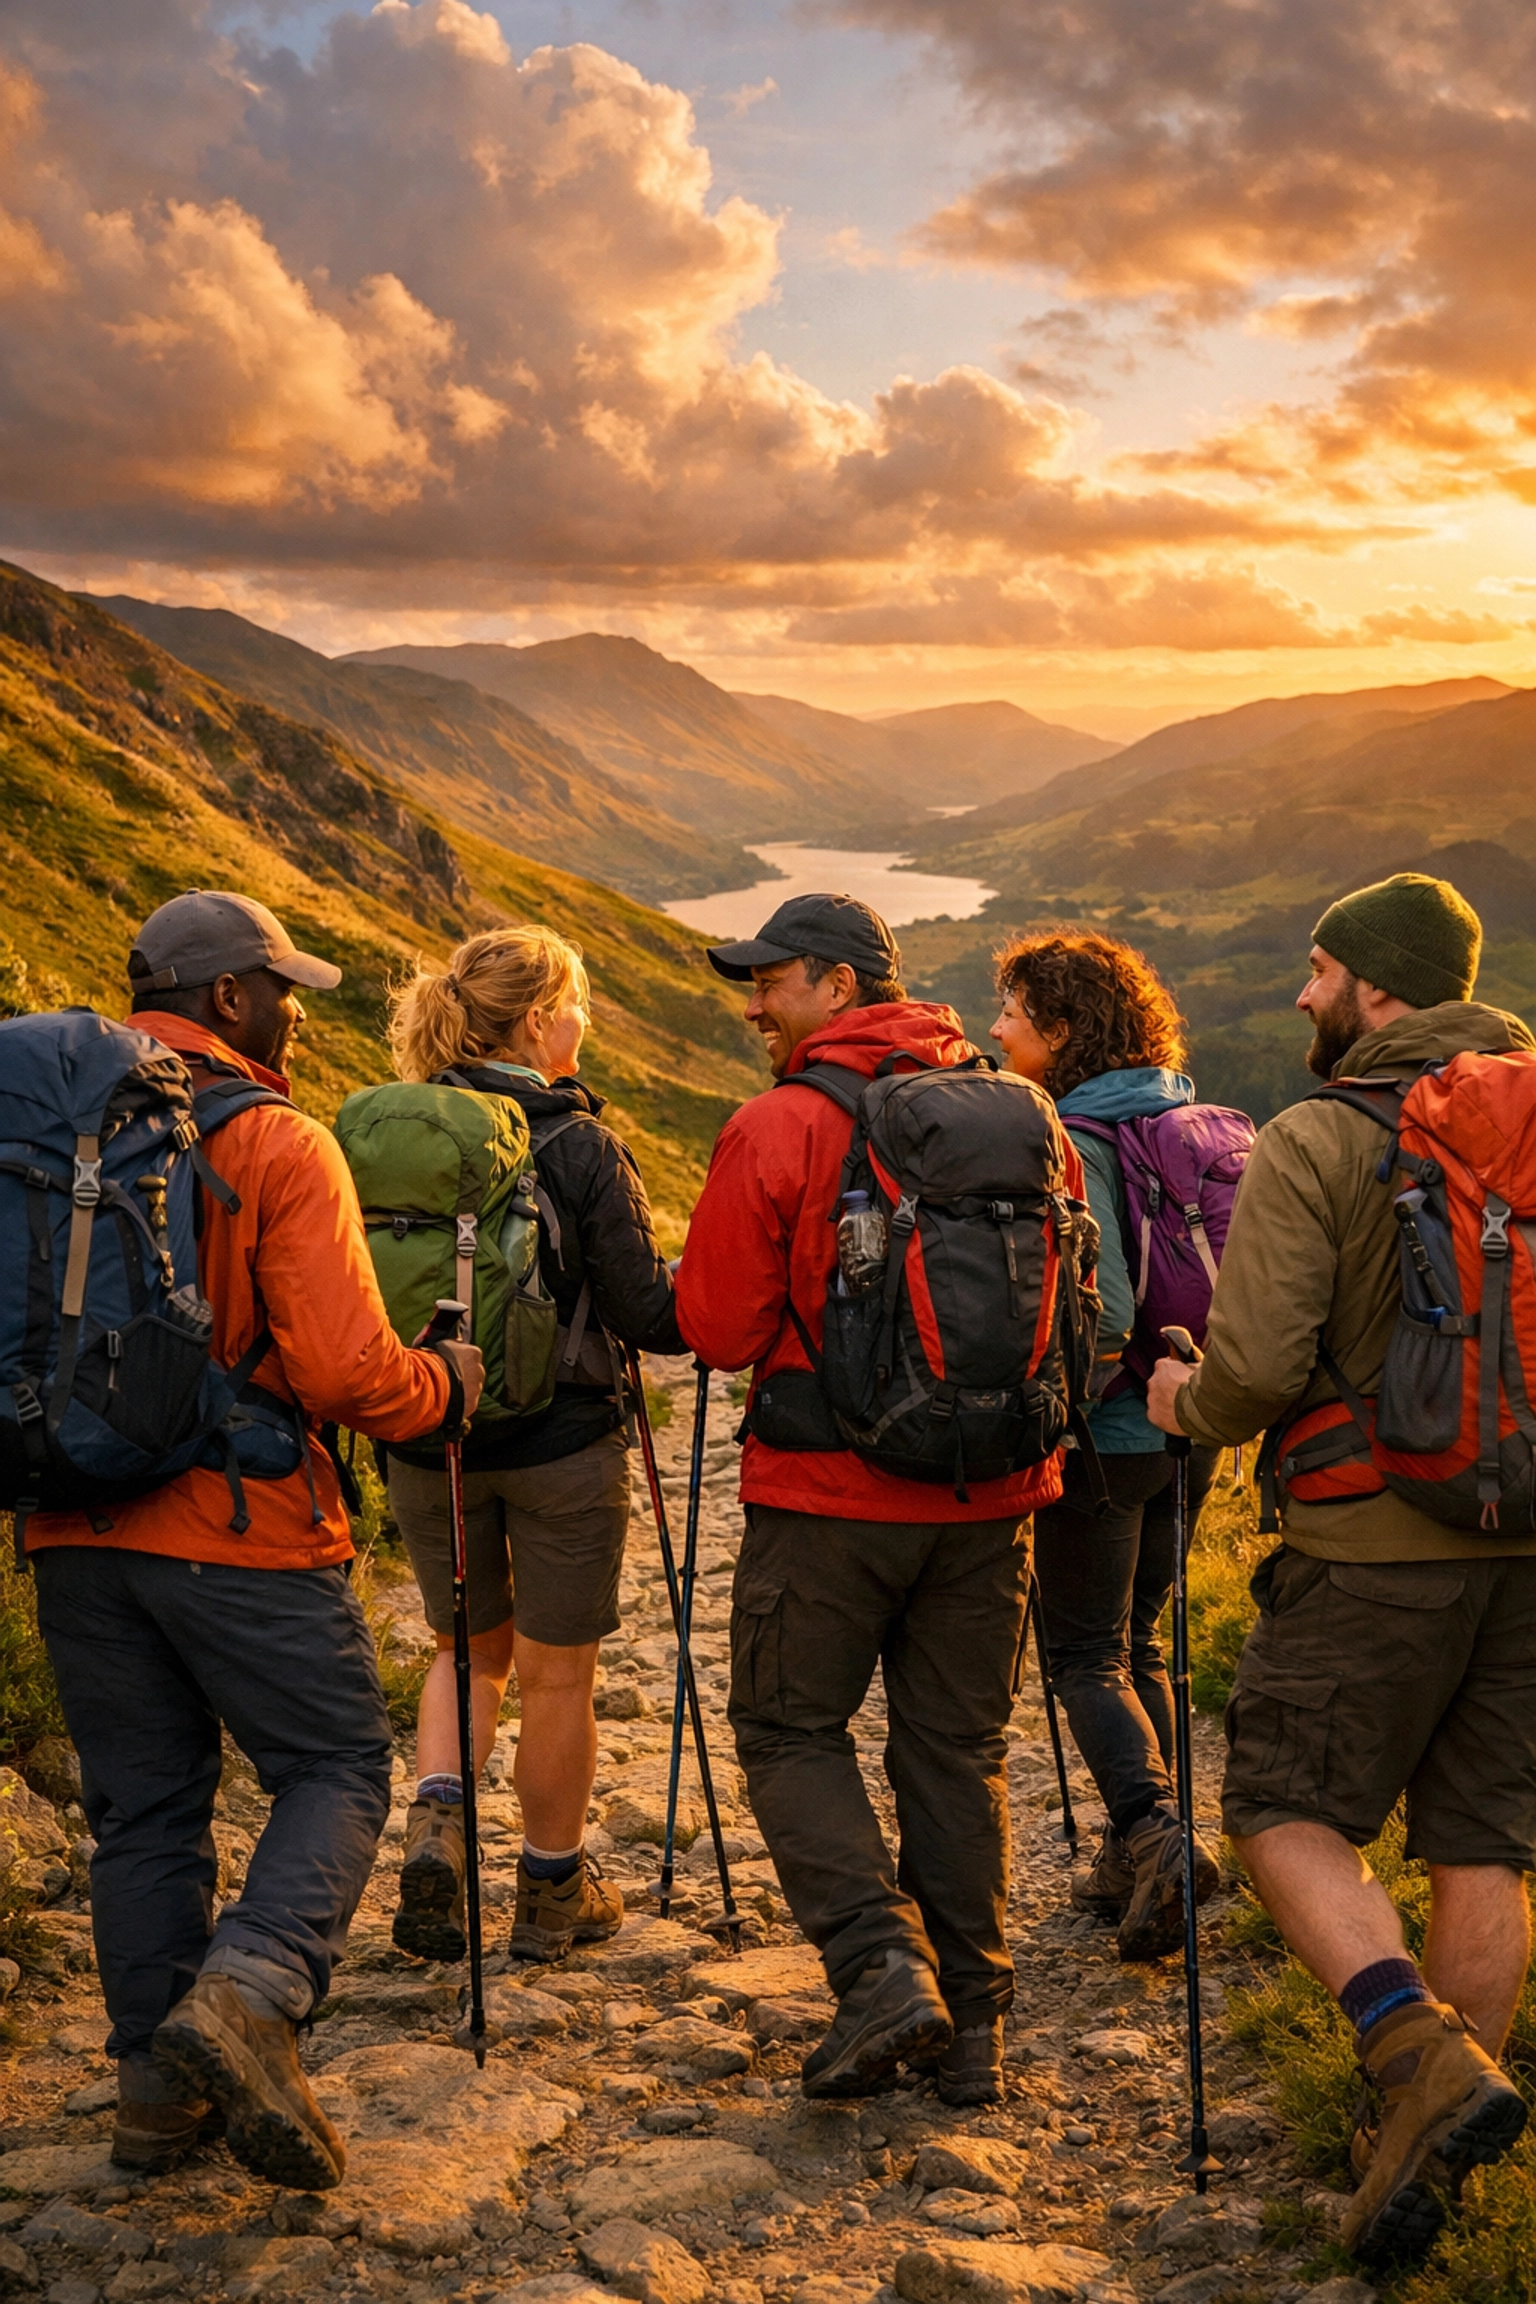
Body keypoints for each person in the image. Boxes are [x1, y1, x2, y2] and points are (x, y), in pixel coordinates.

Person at [25, 891, 482, 2190]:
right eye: (281, 987)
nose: (294, 1010)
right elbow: (345, 1373)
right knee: (335, 1764)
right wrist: (444, 1381)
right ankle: (250, 1992)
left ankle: (155, 2097)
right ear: (227, 997)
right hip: (239, 1526)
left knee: (144, 1811)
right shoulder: (274, 1141)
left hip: (69, 1521)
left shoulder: (51, 1128)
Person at [1145, 871, 1536, 2264]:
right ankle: (1421, 2163)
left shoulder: (1320, 1136)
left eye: (1319, 972)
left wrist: (1183, 1398)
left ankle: (1411, 2055)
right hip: (1530, 1544)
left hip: (1370, 1547)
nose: (1303, 996)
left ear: (1378, 988)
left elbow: (1251, 1369)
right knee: (1482, 1842)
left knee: (1280, 1810)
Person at [676, 893, 1066, 2108]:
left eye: (774, 980)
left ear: (841, 986)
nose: (755, 1003)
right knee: (957, 1748)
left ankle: (881, 1969)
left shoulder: (780, 1123)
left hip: (829, 1497)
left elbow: (720, 1328)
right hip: (995, 1491)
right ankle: (979, 2028)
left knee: (791, 1729)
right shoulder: (1021, 1113)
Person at [383, 926, 685, 1963]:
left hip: (431, 1435)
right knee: (559, 1676)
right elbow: (651, 1314)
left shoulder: (398, 1135)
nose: (587, 1021)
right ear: (544, 1019)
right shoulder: (579, 1141)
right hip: (563, 1445)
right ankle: (553, 1892)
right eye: (582, 1002)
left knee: (465, 1650)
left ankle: (437, 1824)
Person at [991, 929, 1222, 1959]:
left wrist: (1051, 1417)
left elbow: (1109, 1311)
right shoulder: (1184, 1118)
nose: (994, 1031)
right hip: (1193, 1422)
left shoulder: (1074, 1136)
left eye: (1012, 1013)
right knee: (1146, 1643)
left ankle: (1155, 1835)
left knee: (1085, 1653)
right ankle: (1140, 1863)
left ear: (1064, 1031)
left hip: (1111, 1430)